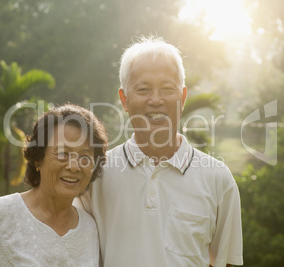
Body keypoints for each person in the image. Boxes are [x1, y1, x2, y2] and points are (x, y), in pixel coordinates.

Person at [76, 36, 243, 267]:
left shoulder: (218, 179)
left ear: (183, 98)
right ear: (124, 100)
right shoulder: (95, 176)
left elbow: (225, 262)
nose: (156, 100)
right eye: (143, 89)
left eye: (167, 89)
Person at [0, 103, 108, 266]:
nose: (74, 166)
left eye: (85, 157)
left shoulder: (89, 228)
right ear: (38, 158)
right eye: (63, 153)